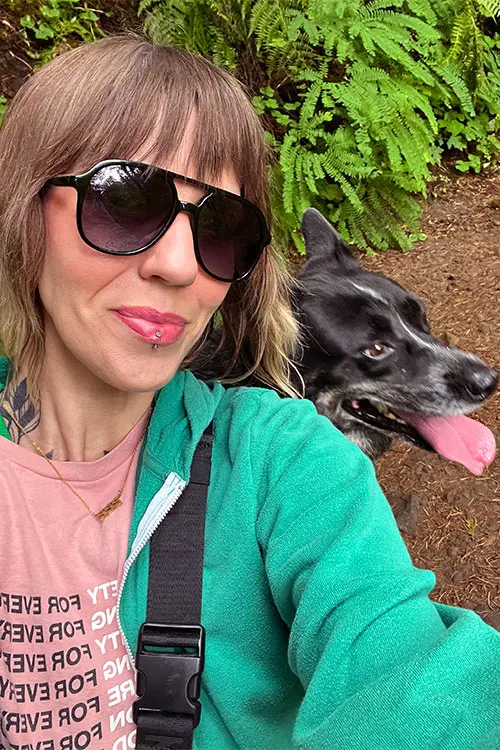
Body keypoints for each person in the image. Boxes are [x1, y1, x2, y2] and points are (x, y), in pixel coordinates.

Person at [0, 33, 498, 750]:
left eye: (221, 225)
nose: (178, 265)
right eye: (125, 201)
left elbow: (410, 676)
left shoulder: (286, 463)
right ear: (25, 211)